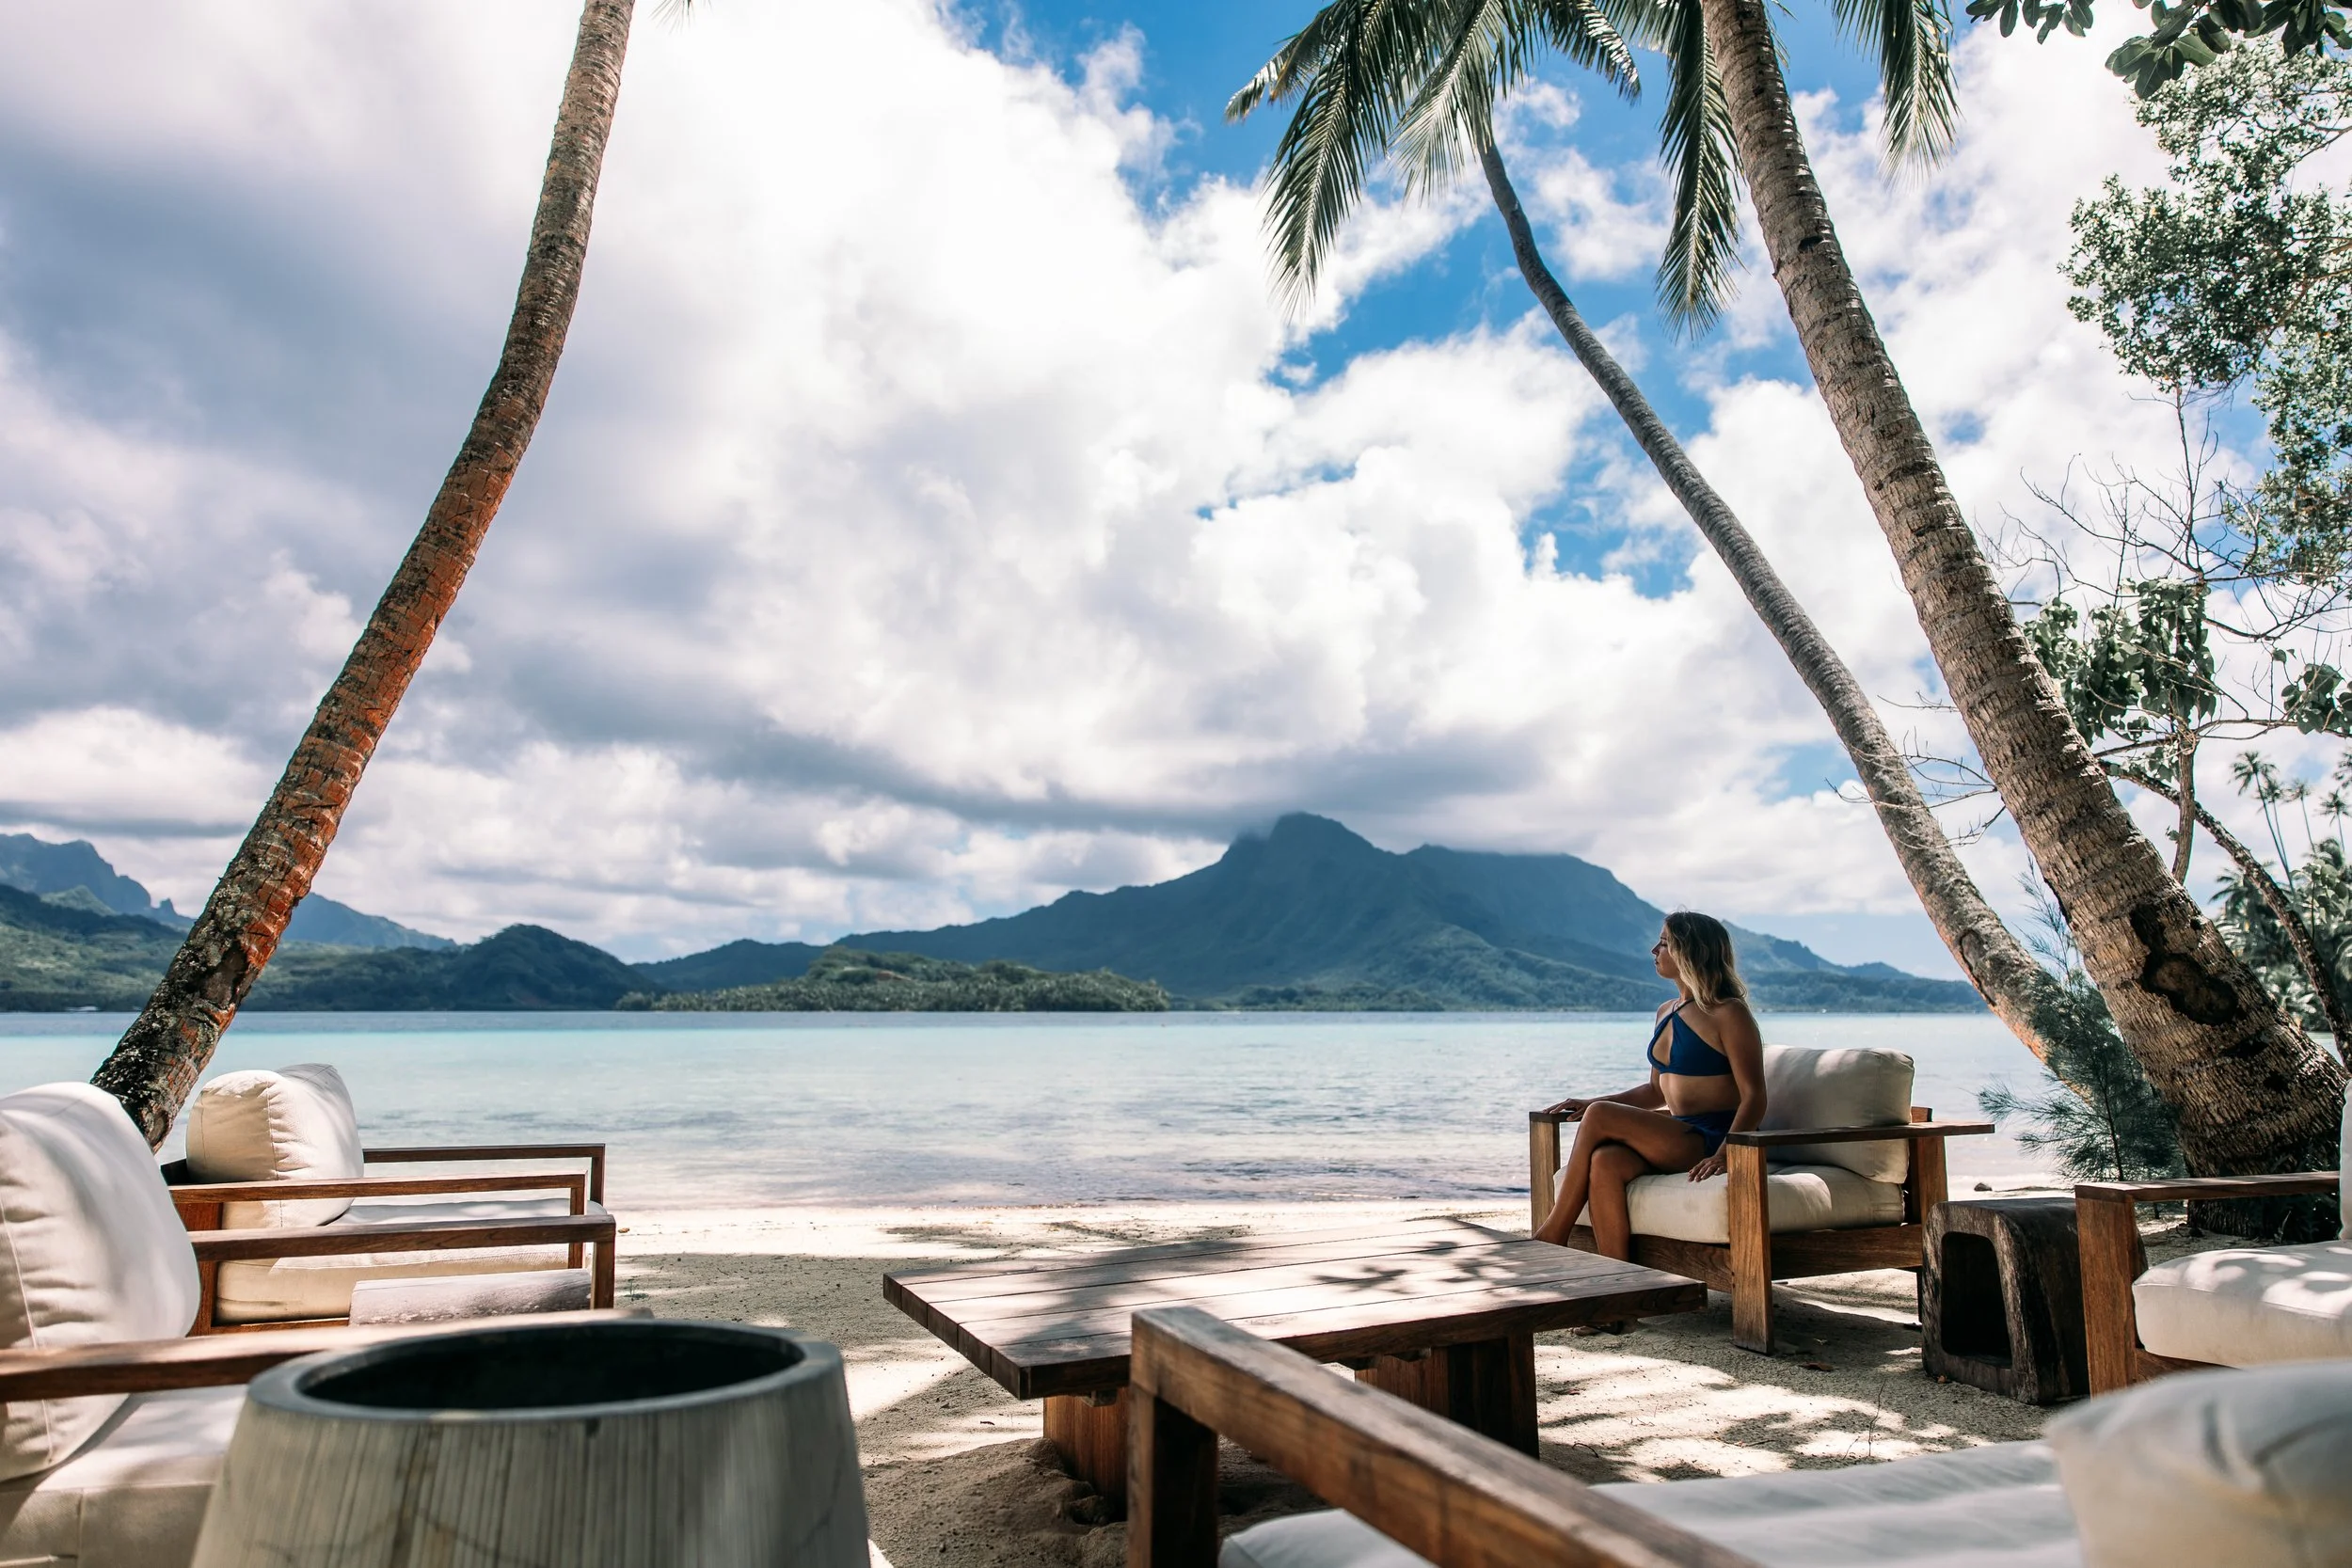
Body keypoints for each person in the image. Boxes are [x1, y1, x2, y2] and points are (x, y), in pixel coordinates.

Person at [1531, 911, 1766, 1256]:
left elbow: (1755, 1096)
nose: (1654, 950)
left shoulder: (1727, 1013)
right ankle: (1620, 1285)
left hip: (1709, 1137)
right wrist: (1591, 1101)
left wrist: (1726, 1154)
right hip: (1677, 1131)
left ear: (1691, 952)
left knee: (1600, 1115)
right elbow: (1655, 1092)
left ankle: (1553, 1232)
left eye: (1665, 943)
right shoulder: (1666, 1011)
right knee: (1605, 1161)